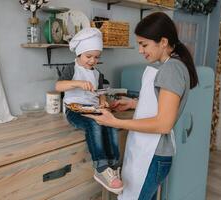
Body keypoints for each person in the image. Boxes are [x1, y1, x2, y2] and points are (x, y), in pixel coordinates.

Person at [85, 12, 198, 200]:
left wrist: (116, 123)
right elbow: (163, 104)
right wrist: (133, 103)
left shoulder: (171, 69)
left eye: (144, 44)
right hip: (153, 154)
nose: (140, 50)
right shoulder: (173, 65)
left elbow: (163, 124)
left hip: (152, 156)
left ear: (163, 42)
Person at [55, 27, 123, 194]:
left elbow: (101, 94)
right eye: (88, 56)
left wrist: (103, 103)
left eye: (96, 57)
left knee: (111, 124)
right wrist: (77, 83)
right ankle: (101, 167)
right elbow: (58, 86)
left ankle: (113, 165)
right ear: (79, 54)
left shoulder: (98, 74)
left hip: (93, 109)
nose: (92, 61)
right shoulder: (71, 69)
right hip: (75, 110)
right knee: (94, 125)